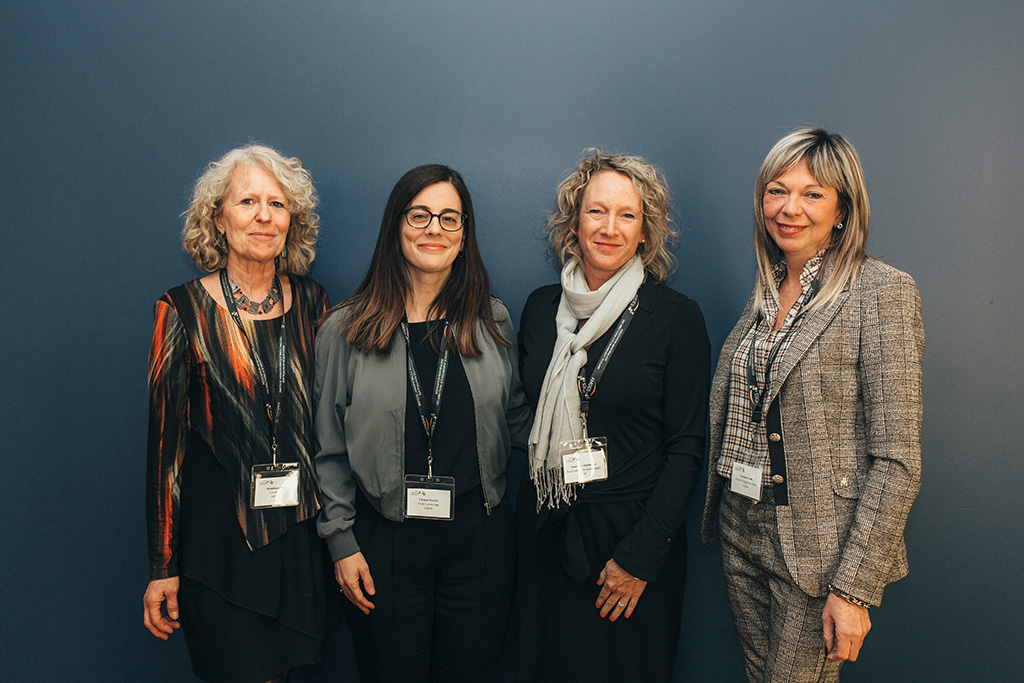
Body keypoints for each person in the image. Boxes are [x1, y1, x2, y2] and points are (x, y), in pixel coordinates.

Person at [700, 128, 924, 682]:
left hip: (819, 548)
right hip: (740, 526)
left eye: (812, 194)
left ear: (842, 209)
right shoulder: (767, 289)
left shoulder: (882, 291)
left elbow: (897, 458)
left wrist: (854, 588)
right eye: (777, 191)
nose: (789, 208)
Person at [313, 164, 531, 682]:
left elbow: (517, 417)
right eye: (420, 215)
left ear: (464, 235)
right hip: (383, 544)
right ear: (396, 226)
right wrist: (341, 542)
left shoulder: (492, 320)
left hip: (479, 540)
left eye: (450, 218)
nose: (435, 228)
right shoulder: (345, 328)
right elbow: (327, 448)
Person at [516, 150, 711, 682]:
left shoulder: (676, 318)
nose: (609, 228)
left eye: (627, 215)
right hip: (550, 530)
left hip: (631, 545)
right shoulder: (539, 309)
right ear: (573, 220)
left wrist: (639, 558)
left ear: (646, 231)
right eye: (596, 211)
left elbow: (687, 448)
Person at [143, 145, 332, 683]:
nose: (263, 215)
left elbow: (331, 425)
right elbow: (164, 447)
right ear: (218, 219)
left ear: (292, 221)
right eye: (247, 201)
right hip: (220, 547)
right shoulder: (180, 310)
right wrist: (162, 565)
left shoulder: (314, 303)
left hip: (298, 538)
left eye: (277, 203)